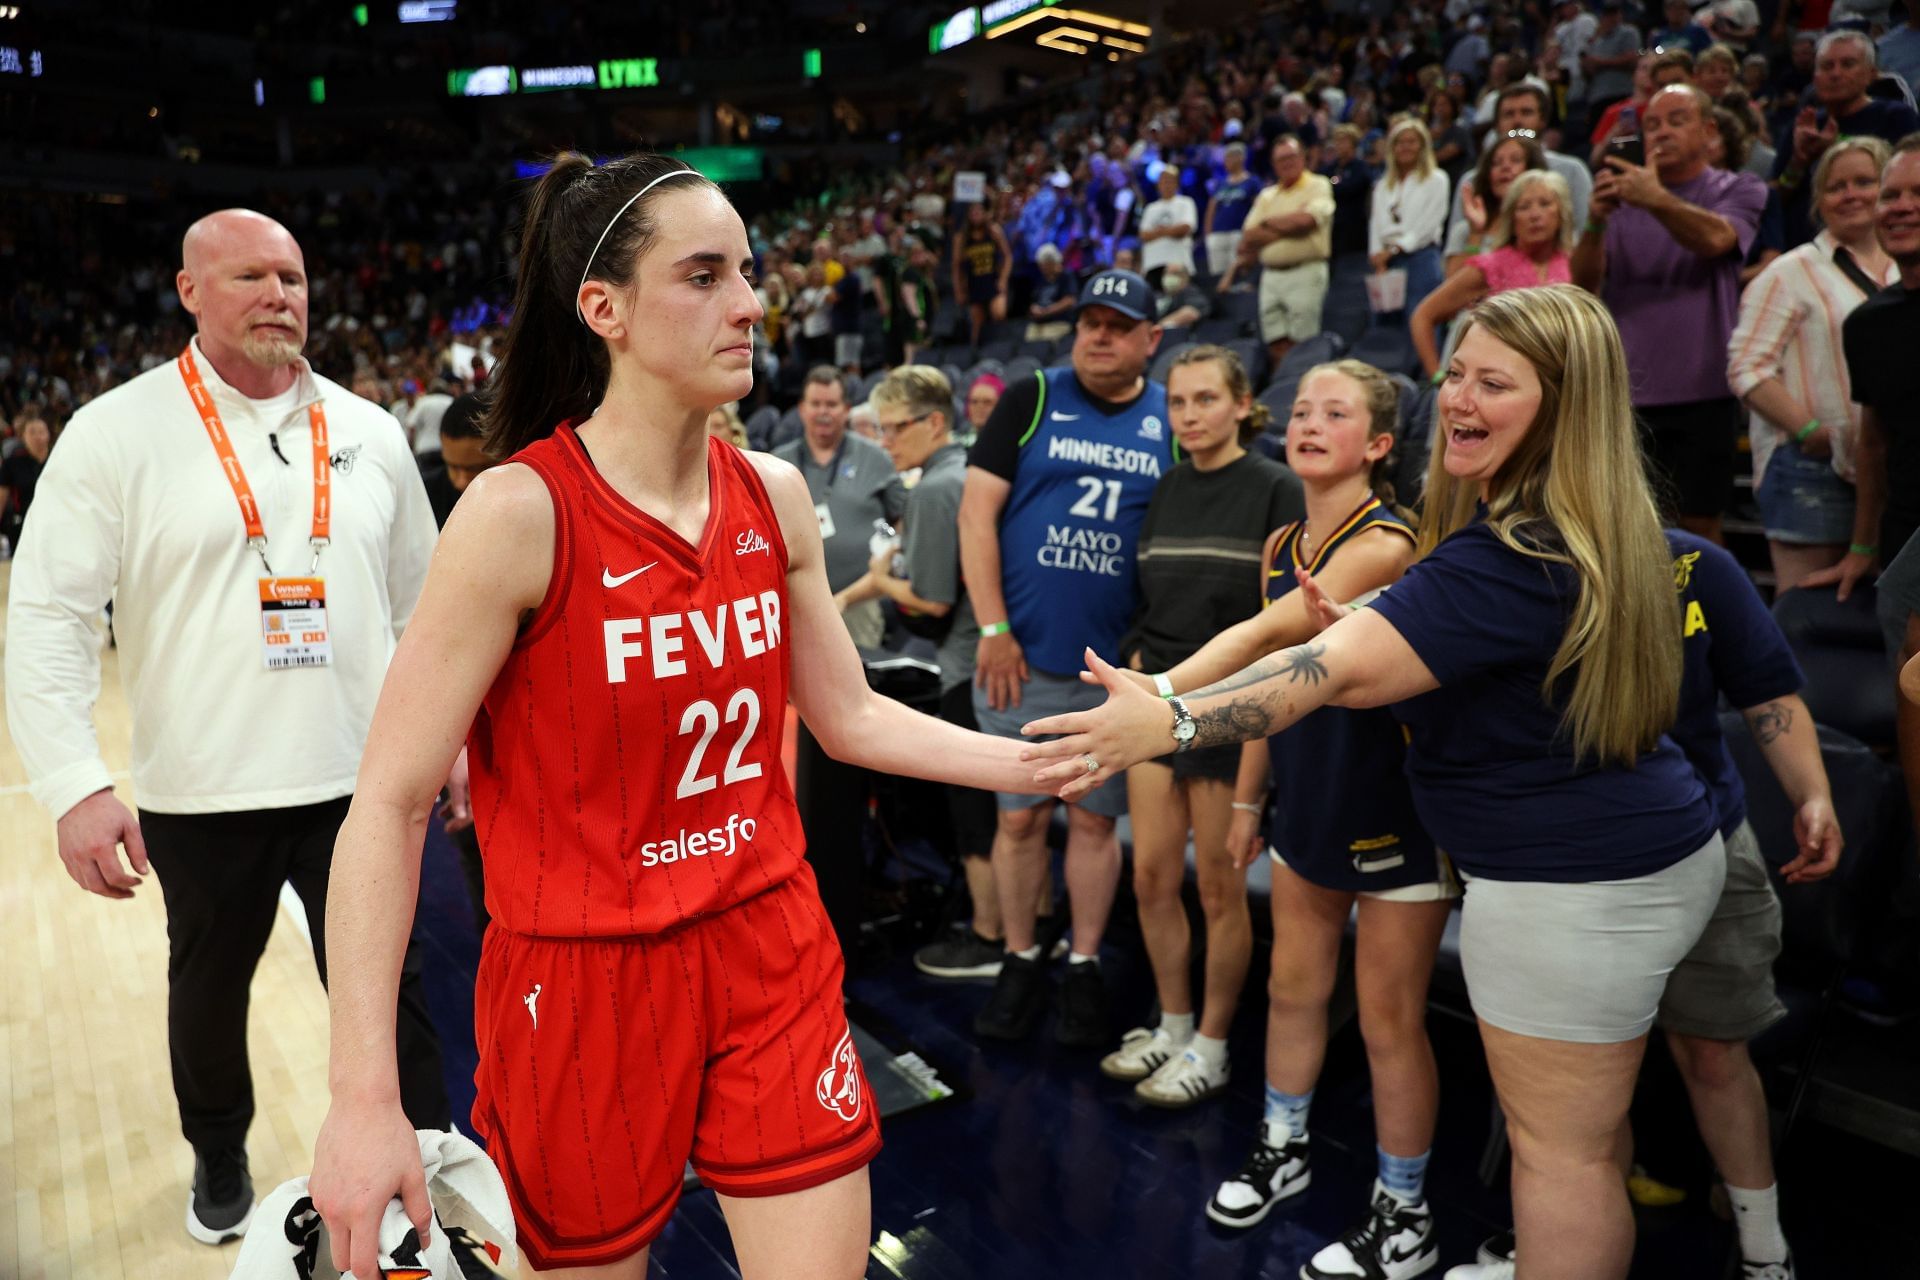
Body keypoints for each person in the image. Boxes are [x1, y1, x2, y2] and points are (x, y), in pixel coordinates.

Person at [306, 152, 1051, 1280]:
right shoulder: (518, 512)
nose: (752, 302)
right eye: (704, 274)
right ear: (603, 309)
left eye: (748, 271)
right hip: (582, 973)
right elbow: (392, 799)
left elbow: (845, 714)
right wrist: (362, 1096)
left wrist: (1031, 760)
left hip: (769, 941)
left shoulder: (776, 495)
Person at [1025, 286, 1727, 1280]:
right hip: (1442, 828)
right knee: (1343, 1012)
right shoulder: (1501, 529)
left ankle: (1407, 1211)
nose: (1462, 399)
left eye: (1495, 382)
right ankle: (1312, 1160)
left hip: (1497, 848)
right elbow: (1281, 643)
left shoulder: (1451, 546)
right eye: (1457, 378)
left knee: (1513, 1114)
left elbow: (1320, 664)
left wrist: (1172, 711)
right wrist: (1214, 754)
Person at [4, 208, 451, 1247]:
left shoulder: (371, 431)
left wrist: (450, 741)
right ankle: (218, 1148)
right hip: (200, 789)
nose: (278, 295)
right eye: (249, 275)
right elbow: (50, 613)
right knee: (209, 990)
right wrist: (72, 780)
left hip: (363, 782)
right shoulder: (116, 430)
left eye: (291, 277)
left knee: (395, 981)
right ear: (189, 291)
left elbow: (425, 612)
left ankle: (424, 1155)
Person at [1131, 358, 1454, 1280]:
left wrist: (1159, 702)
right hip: (1310, 796)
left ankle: (1403, 1207)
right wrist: (1245, 797)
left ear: (1381, 444)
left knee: (1390, 1018)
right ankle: (1282, 1147)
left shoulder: (1387, 540)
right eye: (1302, 409)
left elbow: (1275, 648)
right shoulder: (1281, 544)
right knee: (1293, 988)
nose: (1309, 423)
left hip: (1395, 800)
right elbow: (1275, 700)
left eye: (1336, 413)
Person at [1465, 529, 1843, 1280]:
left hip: (1704, 836)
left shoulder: (1695, 565)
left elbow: (1767, 690)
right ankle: (1558, 1242)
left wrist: (1815, 794)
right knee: (1583, 1079)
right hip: (1571, 862)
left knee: (1713, 1050)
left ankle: (1765, 1248)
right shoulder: (1499, 566)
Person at [959, 268, 1177, 1048]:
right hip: (1015, 661)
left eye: (1118, 325)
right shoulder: (1033, 397)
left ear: (1152, 340)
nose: (1098, 336)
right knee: (1017, 827)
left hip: (1107, 676)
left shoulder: (1170, 418)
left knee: (1090, 826)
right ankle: (1021, 957)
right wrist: (992, 629)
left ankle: (1082, 963)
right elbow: (976, 515)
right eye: (1089, 321)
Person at [1099, 346, 1303, 1106]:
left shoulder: (1278, 488)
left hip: (1227, 709)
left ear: (1243, 404)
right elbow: (1151, 601)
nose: (1189, 415)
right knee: (1152, 876)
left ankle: (1214, 1045)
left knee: (1220, 889)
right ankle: (1175, 1027)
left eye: (1206, 400)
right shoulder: (1165, 489)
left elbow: (1279, 626)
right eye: (1178, 402)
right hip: (1158, 703)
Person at [835, 365, 1047, 980]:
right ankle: (1032, 924)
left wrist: (877, 580)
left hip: (965, 667)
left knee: (975, 815)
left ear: (934, 423)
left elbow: (929, 603)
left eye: (895, 428)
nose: (885, 442)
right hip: (999, 662)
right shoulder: (966, 474)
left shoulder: (934, 488)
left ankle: (989, 936)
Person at [1575, 83, 1767, 543]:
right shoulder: (1622, 198)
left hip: (1705, 389)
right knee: (1625, 531)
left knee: (1700, 530)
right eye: (1652, 124)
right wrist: (1597, 221)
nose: (1662, 132)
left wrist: (1655, 198)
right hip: (1628, 392)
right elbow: (1583, 284)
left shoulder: (1739, 187)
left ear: (1709, 130)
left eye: (1676, 120)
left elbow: (1718, 241)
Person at [1727, 137, 1896, 590]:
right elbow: (1747, 367)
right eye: (1836, 186)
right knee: (1810, 619)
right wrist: (1812, 433)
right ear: (1819, 200)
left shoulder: (1908, 269)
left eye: (1865, 181)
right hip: (1810, 469)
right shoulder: (1788, 272)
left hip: (1896, 467)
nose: (1851, 194)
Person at [1825, 137, 1920, 608]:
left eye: (1918, 194)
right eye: (1891, 195)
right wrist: (1862, 547)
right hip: (1902, 553)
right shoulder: (1867, 324)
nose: (1902, 208)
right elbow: (1873, 441)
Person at [771, 366, 906, 649]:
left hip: (859, 603)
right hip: (793, 604)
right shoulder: (775, 465)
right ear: (801, 409)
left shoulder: (876, 458)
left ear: (846, 410)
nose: (823, 412)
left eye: (831, 405)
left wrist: (886, 556)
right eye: (815, 404)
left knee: (861, 684)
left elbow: (902, 518)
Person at [1416, 171, 1575, 375]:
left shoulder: (1573, 262)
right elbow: (1423, 316)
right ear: (1511, 218)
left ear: (1561, 212)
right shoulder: (1493, 265)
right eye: (1524, 207)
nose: (1535, 215)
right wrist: (1438, 376)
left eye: (1545, 204)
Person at [1774, 33, 1920, 245]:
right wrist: (1799, 160)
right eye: (1827, 66)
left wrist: (1834, 148)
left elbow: (1908, 187)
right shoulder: (1805, 125)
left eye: (1847, 64)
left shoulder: (1895, 117)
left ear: (1871, 74)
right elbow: (1776, 199)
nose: (1835, 74)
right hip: (1807, 251)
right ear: (1814, 78)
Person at [1239, 136, 1336, 368]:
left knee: (1303, 342)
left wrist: (1267, 224)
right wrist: (1288, 224)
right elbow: (1248, 236)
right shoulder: (1267, 195)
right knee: (1275, 340)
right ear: (1273, 164)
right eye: (1281, 159)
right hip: (1271, 275)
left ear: (1303, 157)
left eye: (1291, 156)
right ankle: (1282, 389)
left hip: (1305, 270)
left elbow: (1307, 221)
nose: (1287, 163)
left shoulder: (1318, 184)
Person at [1368, 119, 1452, 326]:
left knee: (1420, 324)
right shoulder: (1383, 185)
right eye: (1400, 142)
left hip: (1420, 257)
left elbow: (1428, 226)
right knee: (1384, 329)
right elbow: (1375, 223)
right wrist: (1377, 255)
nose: (1405, 147)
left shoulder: (1437, 179)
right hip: (1386, 262)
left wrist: (1397, 248)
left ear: (1423, 146)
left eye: (1412, 141)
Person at [1444, 132, 1550, 274]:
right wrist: (1475, 234)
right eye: (1496, 163)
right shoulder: (1464, 231)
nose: (1505, 167)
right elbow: (1453, 290)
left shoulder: (1547, 226)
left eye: (1516, 160)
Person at [954, 200, 1012, 349]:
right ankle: (975, 350)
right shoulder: (962, 238)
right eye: (973, 213)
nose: (976, 215)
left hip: (992, 278)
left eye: (979, 212)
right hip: (974, 281)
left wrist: (1003, 279)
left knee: (998, 313)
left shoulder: (994, 231)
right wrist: (959, 289)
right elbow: (957, 266)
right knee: (976, 322)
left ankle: (1002, 346)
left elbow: (1007, 257)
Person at [1205, 142, 1264, 284]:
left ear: (1240, 158)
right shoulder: (1221, 184)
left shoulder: (1252, 181)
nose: (1226, 162)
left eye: (1229, 158)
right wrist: (1208, 235)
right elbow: (1211, 210)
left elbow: (1259, 207)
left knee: (1237, 273)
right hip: (1218, 234)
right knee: (1217, 275)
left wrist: (1251, 235)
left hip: (1239, 233)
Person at [1139, 165, 1200, 291]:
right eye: (1163, 181)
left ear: (1177, 184)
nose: (1166, 184)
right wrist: (1170, 231)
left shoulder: (1186, 202)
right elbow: (1144, 235)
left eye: (1170, 181)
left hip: (1178, 264)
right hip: (1152, 265)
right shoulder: (1150, 208)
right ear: (1158, 185)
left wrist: (1158, 232)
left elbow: (1185, 229)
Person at [0, 412, 50, 551]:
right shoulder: (12, 463)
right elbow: (1, 499)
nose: (37, 437)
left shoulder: (57, 460)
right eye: (32, 432)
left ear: (48, 434)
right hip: (22, 527)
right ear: (23, 436)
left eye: (41, 432)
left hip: (54, 526)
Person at [1025, 243, 1078, 343]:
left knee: (1046, 339)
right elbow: (1034, 301)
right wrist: (1034, 309)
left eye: (1045, 264)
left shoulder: (1066, 276)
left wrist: (1046, 311)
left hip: (1059, 321)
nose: (1042, 268)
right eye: (1040, 265)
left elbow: (1070, 300)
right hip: (1039, 322)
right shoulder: (1041, 279)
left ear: (1053, 262)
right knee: (1029, 340)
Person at [964, 372, 1004, 441]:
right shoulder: (956, 441)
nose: (980, 407)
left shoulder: (1009, 442)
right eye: (974, 402)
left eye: (987, 402)